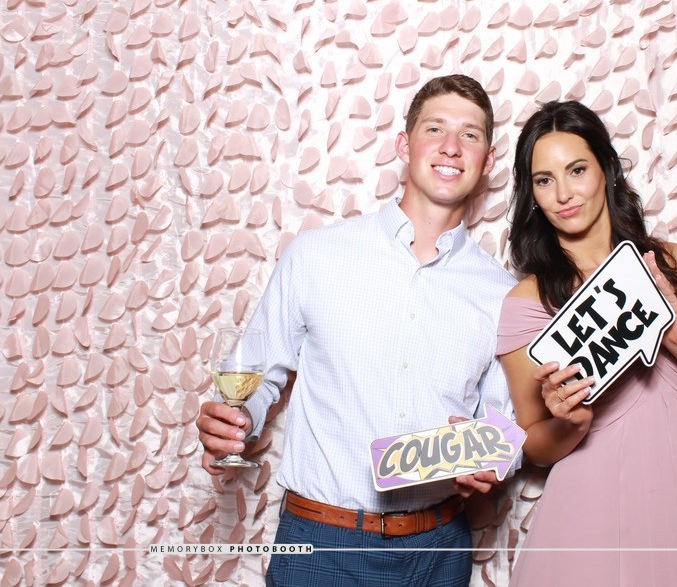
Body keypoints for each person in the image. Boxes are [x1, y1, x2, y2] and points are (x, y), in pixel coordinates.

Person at [196, 74, 518, 587]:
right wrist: (233, 421)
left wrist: (493, 457)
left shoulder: (502, 293)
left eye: (470, 134)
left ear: (488, 159)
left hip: (439, 550)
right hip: (322, 547)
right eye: (435, 129)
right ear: (404, 145)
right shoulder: (317, 256)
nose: (451, 147)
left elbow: (505, 423)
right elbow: (256, 375)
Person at [497, 100, 677, 586]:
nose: (563, 193)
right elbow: (534, 446)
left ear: (608, 169)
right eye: (544, 180)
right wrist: (569, 421)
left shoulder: (673, 263)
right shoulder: (526, 301)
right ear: (532, 194)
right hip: (590, 516)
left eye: (577, 170)